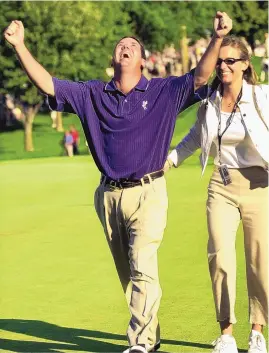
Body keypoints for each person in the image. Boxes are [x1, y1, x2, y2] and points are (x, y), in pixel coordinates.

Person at [4, 13, 232, 353]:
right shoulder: (92, 93)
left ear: (142, 60)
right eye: (120, 46)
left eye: (132, 46)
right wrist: (20, 46)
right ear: (115, 59)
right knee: (129, 274)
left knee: (142, 265)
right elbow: (49, 84)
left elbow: (200, 77)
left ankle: (139, 342)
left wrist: (216, 39)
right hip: (108, 196)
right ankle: (151, 336)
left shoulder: (163, 90)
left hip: (148, 192)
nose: (125, 47)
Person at [166, 35, 268, 353]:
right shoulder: (209, 101)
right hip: (221, 186)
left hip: (260, 185)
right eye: (220, 61)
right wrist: (169, 160)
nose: (223, 66)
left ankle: (256, 333)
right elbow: (195, 137)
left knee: (260, 260)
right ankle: (226, 334)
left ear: (245, 65)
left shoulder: (261, 96)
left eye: (230, 61)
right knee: (220, 257)